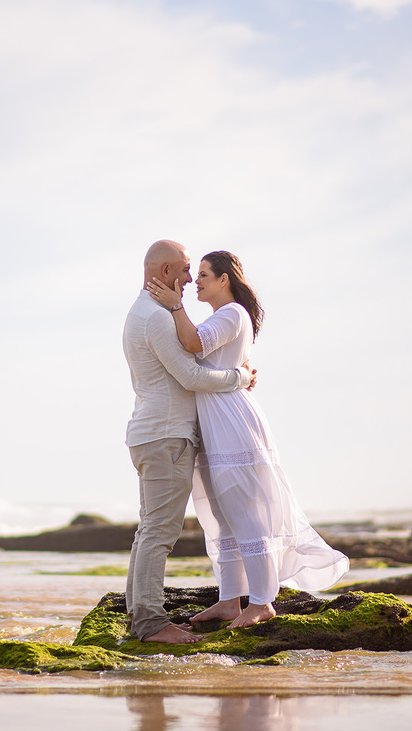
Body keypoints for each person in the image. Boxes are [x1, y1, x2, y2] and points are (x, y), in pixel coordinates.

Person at [146, 251, 348, 628]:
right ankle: (228, 602)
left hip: (233, 421)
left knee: (246, 511)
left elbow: (191, 344)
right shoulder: (220, 317)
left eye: (204, 274)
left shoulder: (233, 313)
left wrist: (173, 306)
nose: (197, 281)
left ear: (225, 280)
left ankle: (261, 603)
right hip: (214, 422)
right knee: (222, 517)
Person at [123, 240, 258, 644]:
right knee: (159, 534)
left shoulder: (145, 313)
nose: (187, 280)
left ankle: (140, 617)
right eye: (183, 270)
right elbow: (191, 376)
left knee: (149, 531)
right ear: (164, 272)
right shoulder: (155, 318)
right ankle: (149, 624)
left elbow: (190, 365)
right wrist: (241, 378)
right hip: (166, 437)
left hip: (154, 435)